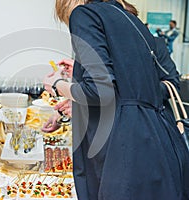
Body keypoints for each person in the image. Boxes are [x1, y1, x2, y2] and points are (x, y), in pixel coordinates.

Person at [43, 0, 189, 199]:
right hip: (155, 147)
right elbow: (122, 87)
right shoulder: (136, 25)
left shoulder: (84, 14)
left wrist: (57, 85)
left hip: (121, 153)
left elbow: (100, 90)